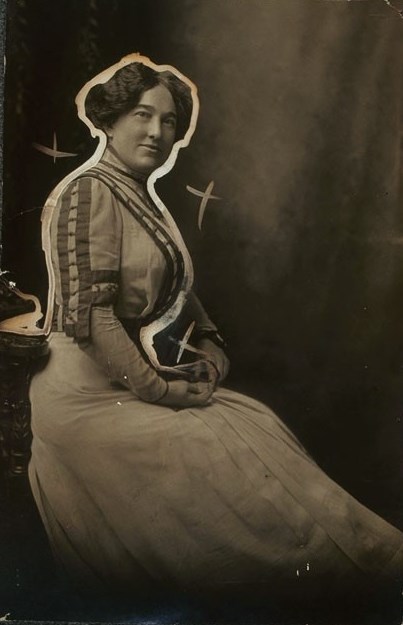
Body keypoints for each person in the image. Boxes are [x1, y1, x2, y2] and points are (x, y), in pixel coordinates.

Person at [29, 54, 402, 605]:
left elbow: (177, 282)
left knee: (252, 423)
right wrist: (161, 391)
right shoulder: (89, 192)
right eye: (141, 114)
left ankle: (363, 568)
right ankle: (341, 576)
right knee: (206, 442)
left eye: (170, 121)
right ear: (108, 121)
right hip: (80, 396)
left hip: (121, 381)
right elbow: (93, 319)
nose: (158, 132)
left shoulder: (141, 198)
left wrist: (209, 338)